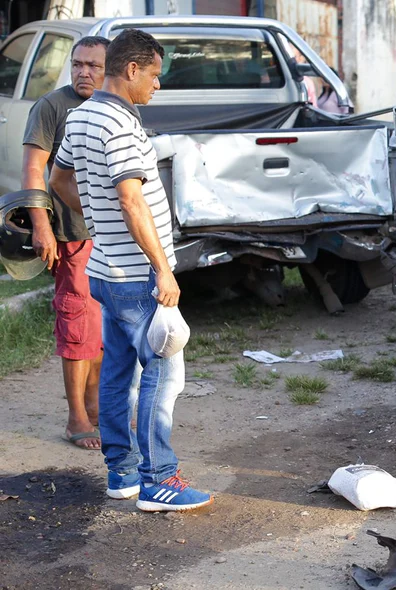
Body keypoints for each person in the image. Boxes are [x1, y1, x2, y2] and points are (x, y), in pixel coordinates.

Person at [50, 29, 213, 512]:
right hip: (137, 276)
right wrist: (164, 270)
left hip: (105, 269)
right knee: (165, 374)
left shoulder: (81, 117)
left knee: (120, 374)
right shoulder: (118, 125)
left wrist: (95, 220)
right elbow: (130, 197)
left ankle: (121, 473)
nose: (158, 86)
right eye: (156, 75)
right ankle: (159, 480)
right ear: (132, 69)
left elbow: (58, 178)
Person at [22, 36, 110, 450]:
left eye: (93, 65)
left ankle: (95, 405)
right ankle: (77, 416)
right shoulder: (52, 107)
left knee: (103, 327)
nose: (83, 72)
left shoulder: (111, 107)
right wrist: (41, 224)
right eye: (77, 64)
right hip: (70, 235)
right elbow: (33, 169)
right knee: (77, 326)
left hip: (108, 236)